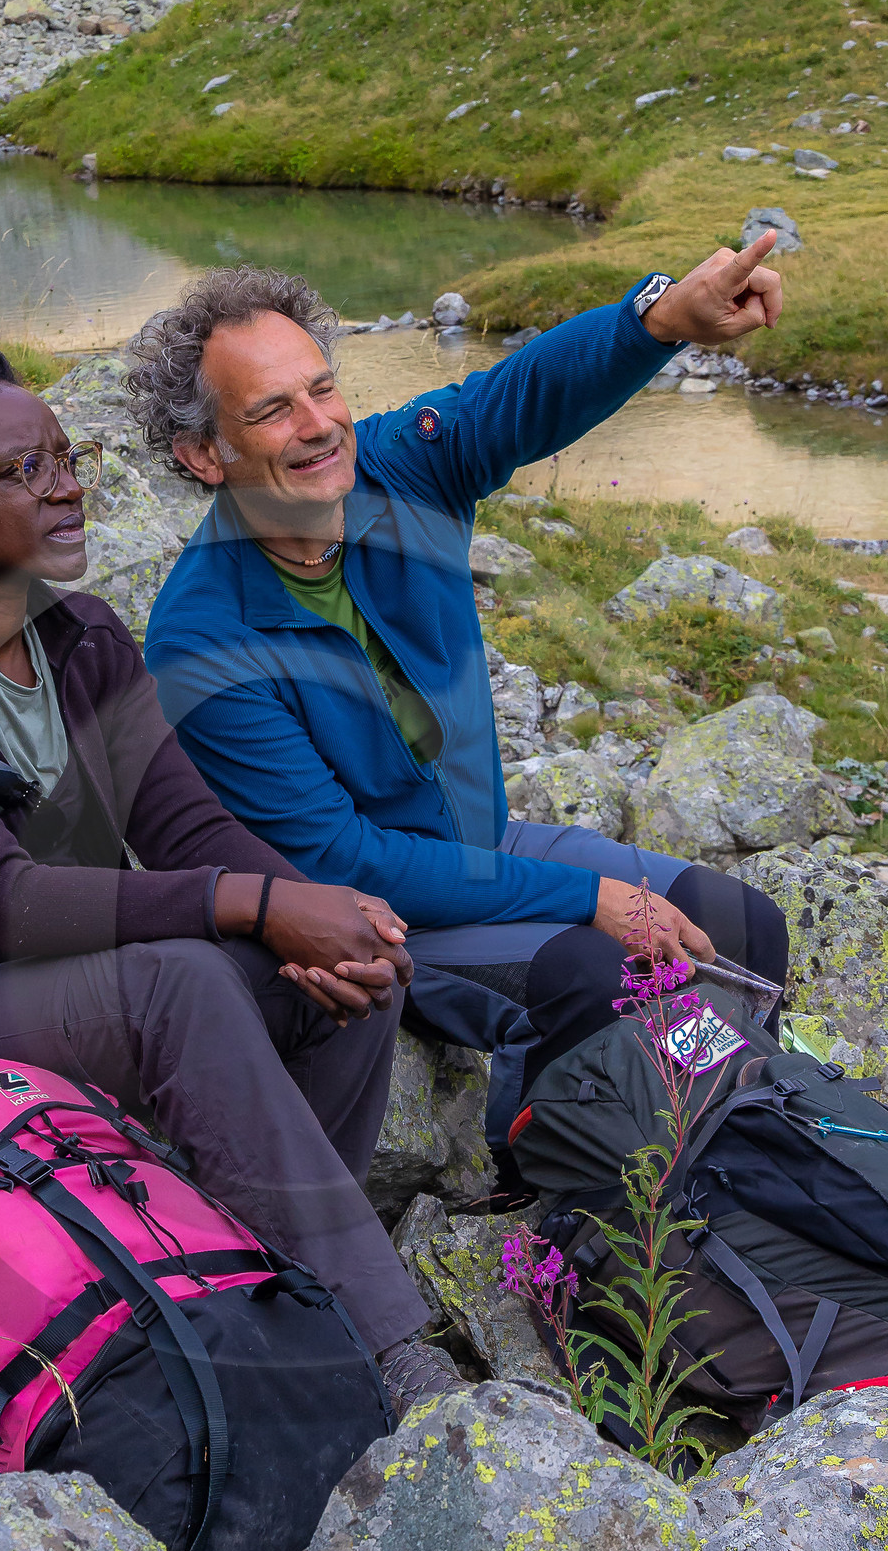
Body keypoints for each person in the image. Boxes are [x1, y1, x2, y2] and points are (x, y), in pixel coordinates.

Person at [0, 343, 444, 1403]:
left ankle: (282, 1284)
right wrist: (257, 905)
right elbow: (7, 900)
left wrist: (321, 916)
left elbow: (183, 824)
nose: (65, 487)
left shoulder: (82, 634)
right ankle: (384, 1347)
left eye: (65, 459)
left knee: (351, 969)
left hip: (55, 984)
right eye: (23, 470)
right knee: (185, 980)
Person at [136, 250, 791, 1186]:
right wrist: (590, 899)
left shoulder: (396, 470)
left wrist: (660, 319)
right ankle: (560, 1203)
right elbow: (346, 861)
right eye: (273, 410)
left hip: (484, 843)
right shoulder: (202, 640)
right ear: (204, 455)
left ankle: (753, 1166)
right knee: (599, 973)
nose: (318, 426)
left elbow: (517, 398)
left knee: (740, 923)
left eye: (322, 389)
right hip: (386, 918)